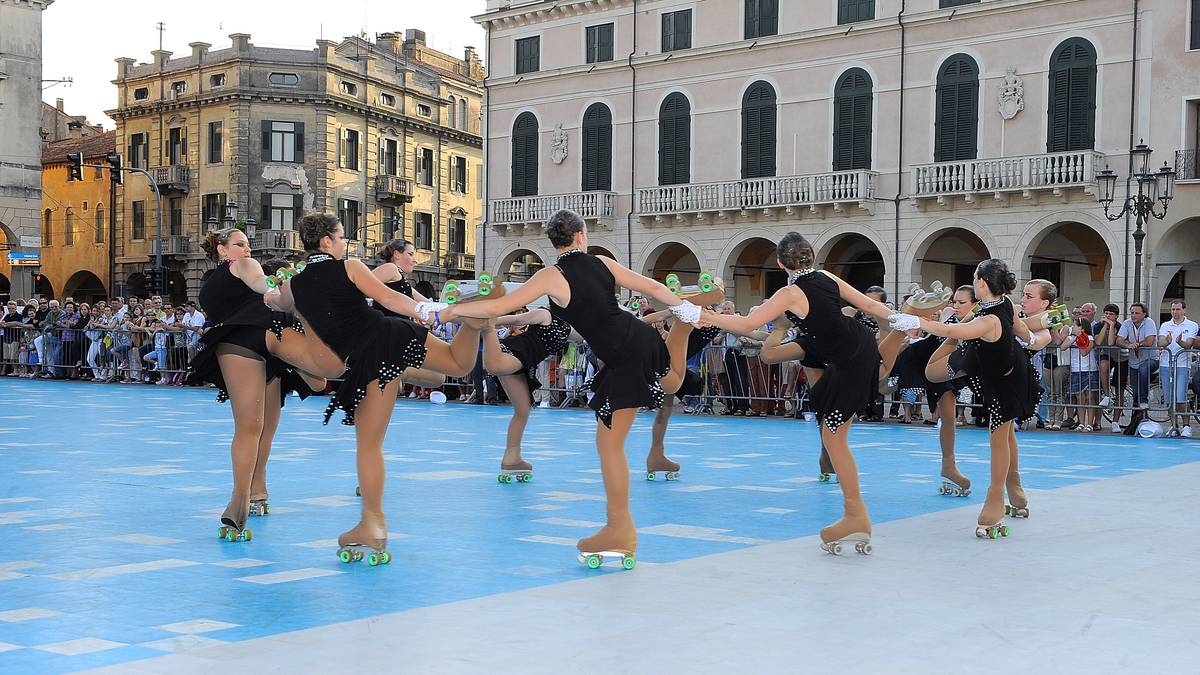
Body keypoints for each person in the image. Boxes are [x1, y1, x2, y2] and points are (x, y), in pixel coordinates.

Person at [438, 209, 697, 569]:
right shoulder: (602, 263)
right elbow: (653, 287)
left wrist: (449, 312)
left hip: (623, 355)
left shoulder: (551, 275)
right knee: (630, 422)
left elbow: (499, 306)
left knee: (609, 446)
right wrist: (686, 310)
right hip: (636, 341)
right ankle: (618, 528)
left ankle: (621, 530)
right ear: (581, 235)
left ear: (553, 242)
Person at [277, 212, 486, 565]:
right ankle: (475, 320)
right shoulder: (351, 268)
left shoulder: (293, 285)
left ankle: (372, 524)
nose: (345, 243)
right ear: (327, 241)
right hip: (391, 334)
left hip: (367, 361)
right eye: (342, 237)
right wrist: (431, 312)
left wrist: (271, 293)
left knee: (369, 446)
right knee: (459, 364)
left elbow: (275, 303)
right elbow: (390, 300)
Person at [703, 232, 894, 555]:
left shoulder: (789, 293)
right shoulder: (826, 276)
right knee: (835, 435)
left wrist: (702, 315)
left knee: (834, 437)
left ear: (780, 263)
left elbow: (748, 324)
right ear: (812, 257)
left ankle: (856, 515)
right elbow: (868, 304)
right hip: (857, 347)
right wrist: (902, 317)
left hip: (848, 360)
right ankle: (854, 514)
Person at [187, 227, 339, 543]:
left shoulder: (226, 275)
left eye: (248, 246)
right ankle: (252, 492)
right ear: (221, 250)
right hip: (261, 336)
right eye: (239, 245)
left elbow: (259, 284)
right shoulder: (239, 266)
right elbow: (259, 283)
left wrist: (272, 289)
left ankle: (244, 498)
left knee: (253, 427)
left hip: (245, 341)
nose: (247, 250)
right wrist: (274, 289)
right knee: (260, 425)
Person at [891, 259, 1035, 539]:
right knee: (1004, 435)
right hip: (988, 368)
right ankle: (1016, 489)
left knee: (1000, 436)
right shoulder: (1000, 304)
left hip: (1007, 380)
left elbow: (952, 331)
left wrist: (918, 321)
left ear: (982, 282)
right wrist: (1032, 338)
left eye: (974, 278)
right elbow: (1018, 327)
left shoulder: (991, 318)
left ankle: (996, 498)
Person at [479, 305, 574, 482]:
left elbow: (592, 336)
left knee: (523, 411)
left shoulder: (568, 328)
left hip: (521, 364)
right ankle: (484, 323)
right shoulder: (545, 314)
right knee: (495, 365)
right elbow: (517, 319)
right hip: (514, 354)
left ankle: (512, 458)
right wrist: (492, 321)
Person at [1158, 300, 1197, 436]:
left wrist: (1180, 341)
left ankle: (1186, 426)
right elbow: (1160, 342)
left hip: (1182, 365)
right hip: (1165, 364)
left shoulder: (1192, 325)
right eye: (1173, 309)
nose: (1175, 312)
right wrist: (1167, 341)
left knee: (1181, 397)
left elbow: (1189, 344)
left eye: (1178, 309)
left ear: (1184, 310)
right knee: (1169, 399)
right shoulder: (1165, 325)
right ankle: (1174, 425)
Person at [1116, 302, 1157, 427]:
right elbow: (1119, 340)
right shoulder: (1127, 323)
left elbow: (1150, 341)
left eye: (1137, 313)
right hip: (1134, 362)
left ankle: (1144, 400)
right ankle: (1136, 422)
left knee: (1144, 370)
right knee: (1135, 393)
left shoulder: (1149, 322)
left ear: (1144, 314)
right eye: (1132, 313)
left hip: (1151, 359)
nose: (1133, 315)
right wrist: (1128, 345)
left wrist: (1138, 344)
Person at [1094, 303, 1127, 432]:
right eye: (1106, 313)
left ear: (1116, 316)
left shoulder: (1120, 326)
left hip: (1121, 357)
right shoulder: (1098, 326)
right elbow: (1098, 342)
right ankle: (1107, 395)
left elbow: (1111, 342)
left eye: (1111, 314)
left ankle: (1116, 421)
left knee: (1120, 390)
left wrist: (1112, 325)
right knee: (1103, 365)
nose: (1107, 316)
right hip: (1107, 354)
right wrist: (1105, 326)